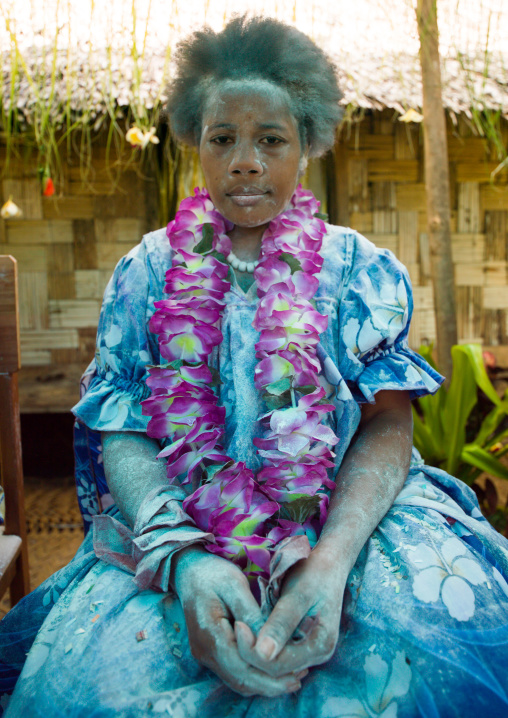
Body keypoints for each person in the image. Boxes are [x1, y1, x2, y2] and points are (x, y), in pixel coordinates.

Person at [2, 14, 508, 718]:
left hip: (349, 524)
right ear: (196, 148)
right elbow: (123, 424)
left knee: (426, 664)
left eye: (270, 139)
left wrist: (330, 565)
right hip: (178, 525)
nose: (246, 160)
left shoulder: (357, 267)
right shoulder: (147, 271)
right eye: (223, 139)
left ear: (307, 145)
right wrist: (185, 560)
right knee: (88, 691)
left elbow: (389, 423)